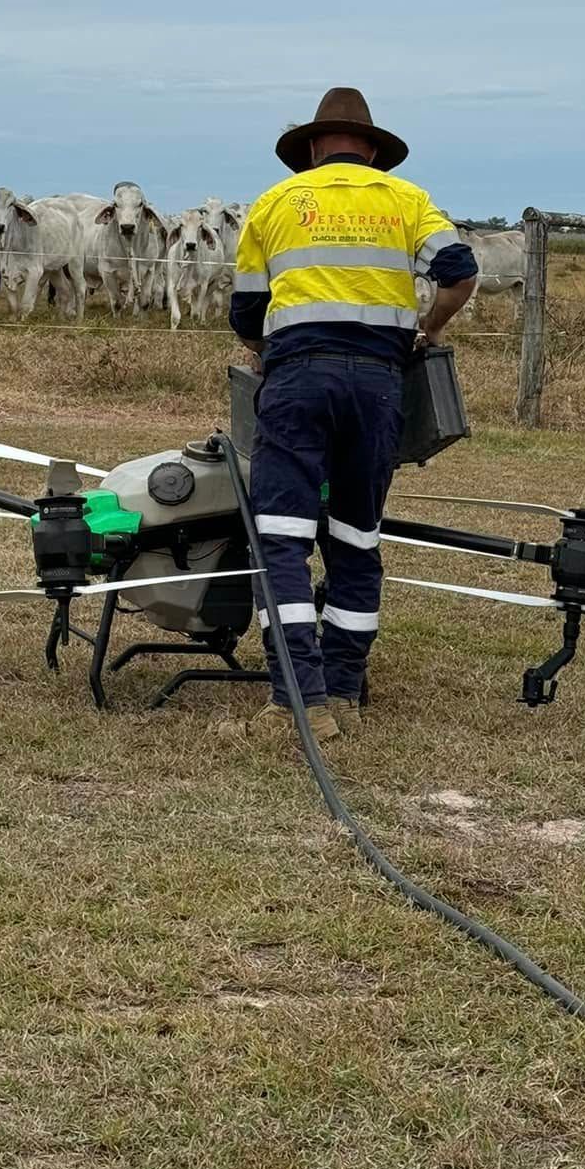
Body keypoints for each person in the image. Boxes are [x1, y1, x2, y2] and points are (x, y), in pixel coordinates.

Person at [226, 87, 478, 740]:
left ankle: (296, 704)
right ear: (372, 151)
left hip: (298, 380)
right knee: (355, 540)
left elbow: (246, 313)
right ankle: (342, 691)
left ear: (312, 148)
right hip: (379, 384)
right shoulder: (408, 201)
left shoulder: (275, 203)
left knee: (280, 538)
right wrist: (427, 329)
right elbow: (460, 272)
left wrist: (265, 352)